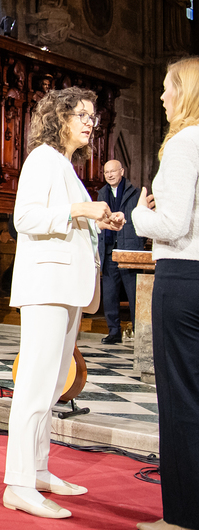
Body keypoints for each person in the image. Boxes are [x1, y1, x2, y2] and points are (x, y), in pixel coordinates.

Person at [3, 87, 124, 520]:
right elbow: (25, 218)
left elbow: (70, 220)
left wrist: (100, 220)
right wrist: (81, 210)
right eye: (81, 115)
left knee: (54, 385)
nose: (90, 122)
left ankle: (37, 470)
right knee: (35, 386)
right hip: (47, 286)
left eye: (93, 116)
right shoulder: (42, 158)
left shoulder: (66, 166)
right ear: (59, 119)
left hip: (67, 286)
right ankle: (18, 484)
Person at [132, 56, 199, 530]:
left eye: (167, 87)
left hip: (183, 277)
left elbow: (173, 225)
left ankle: (181, 517)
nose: (161, 96)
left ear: (186, 91)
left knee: (181, 400)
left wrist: (140, 214)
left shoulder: (184, 141)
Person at [97, 159, 145, 344]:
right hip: (109, 251)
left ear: (122, 172)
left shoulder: (135, 193)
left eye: (113, 171)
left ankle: (139, 332)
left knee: (134, 294)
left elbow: (141, 221)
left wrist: (137, 243)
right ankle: (114, 331)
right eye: (106, 172)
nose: (109, 175)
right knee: (109, 294)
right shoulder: (102, 194)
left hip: (129, 251)